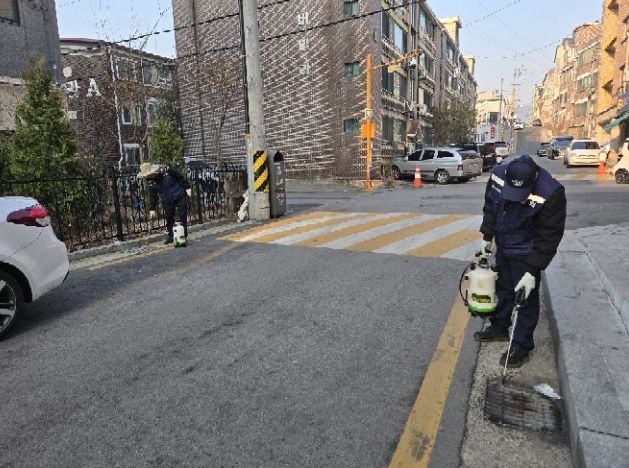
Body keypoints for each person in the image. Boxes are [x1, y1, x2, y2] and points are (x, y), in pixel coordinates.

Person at [474, 155, 567, 368]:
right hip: (504, 245)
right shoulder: (498, 176)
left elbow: (549, 236)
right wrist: (487, 235)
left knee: (525, 299)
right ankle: (500, 326)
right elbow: (491, 206)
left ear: (533, 181)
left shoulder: (551, 192)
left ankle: (521, 344)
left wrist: (533, 270)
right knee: (503, 288)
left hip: (527, 252)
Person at [138, 163, 191, 245]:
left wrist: (187, 187)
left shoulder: (167, 171)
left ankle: (182, 236)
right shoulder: (151, 182)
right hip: (167, 200)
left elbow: (180, 177)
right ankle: (171, 236)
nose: (147, 177)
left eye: (148, 175)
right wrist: (152, 208)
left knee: (182, 216)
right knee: (169, 218)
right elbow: (153, 196)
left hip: (179, 195)